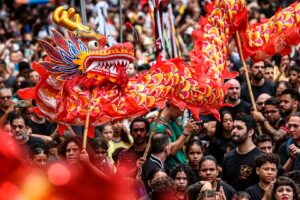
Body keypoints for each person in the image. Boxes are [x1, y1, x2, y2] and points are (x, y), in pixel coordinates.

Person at [150, 102, 199, 171]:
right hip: (170, 169)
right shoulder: (157, 125)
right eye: (181, 110)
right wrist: (186, 132)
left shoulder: (177, 120)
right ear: (172, 107)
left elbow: (183, 142)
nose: (182, 113)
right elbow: (170, 151)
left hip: (182, 165)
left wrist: (191, 132)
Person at [222, 113, 262, 191]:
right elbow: (225, 185)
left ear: (250, 132)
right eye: (233, 127)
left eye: (239, 128)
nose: (234, 131)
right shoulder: (228, 157)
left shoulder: (261, 158)